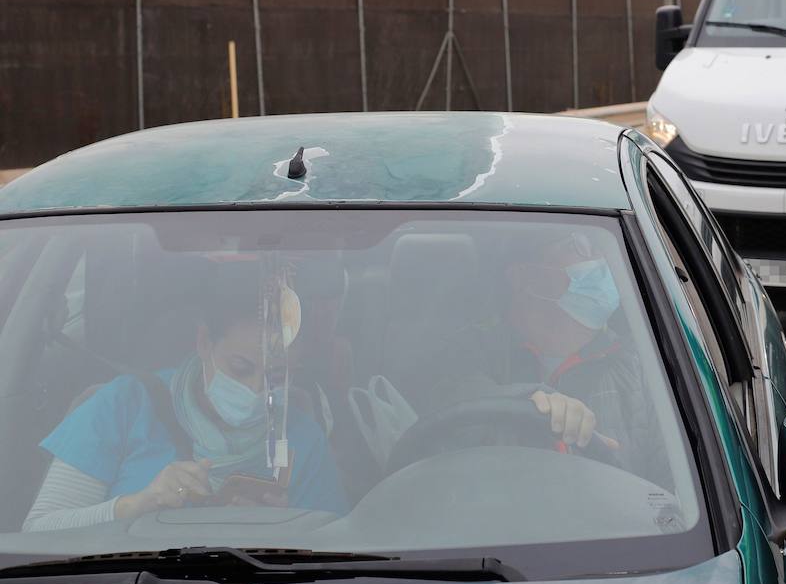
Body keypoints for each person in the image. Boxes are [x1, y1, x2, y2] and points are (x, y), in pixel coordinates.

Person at [23, 265, 348, 531]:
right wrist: (138, 505)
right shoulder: (124, 405)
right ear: (204, 341)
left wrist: (285, 525)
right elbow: (40, 531)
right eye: (240, 368)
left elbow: (335, 547)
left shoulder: (302, 438)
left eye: (276, 377)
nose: (254, 391)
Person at [422, 230, 665, 482]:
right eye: (582, 244)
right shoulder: (467, 349)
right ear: (522, 276)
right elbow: (445, 407)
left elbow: (675, 497)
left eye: (602, 245)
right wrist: (529, 402)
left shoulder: (643, 363)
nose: (601, 258)